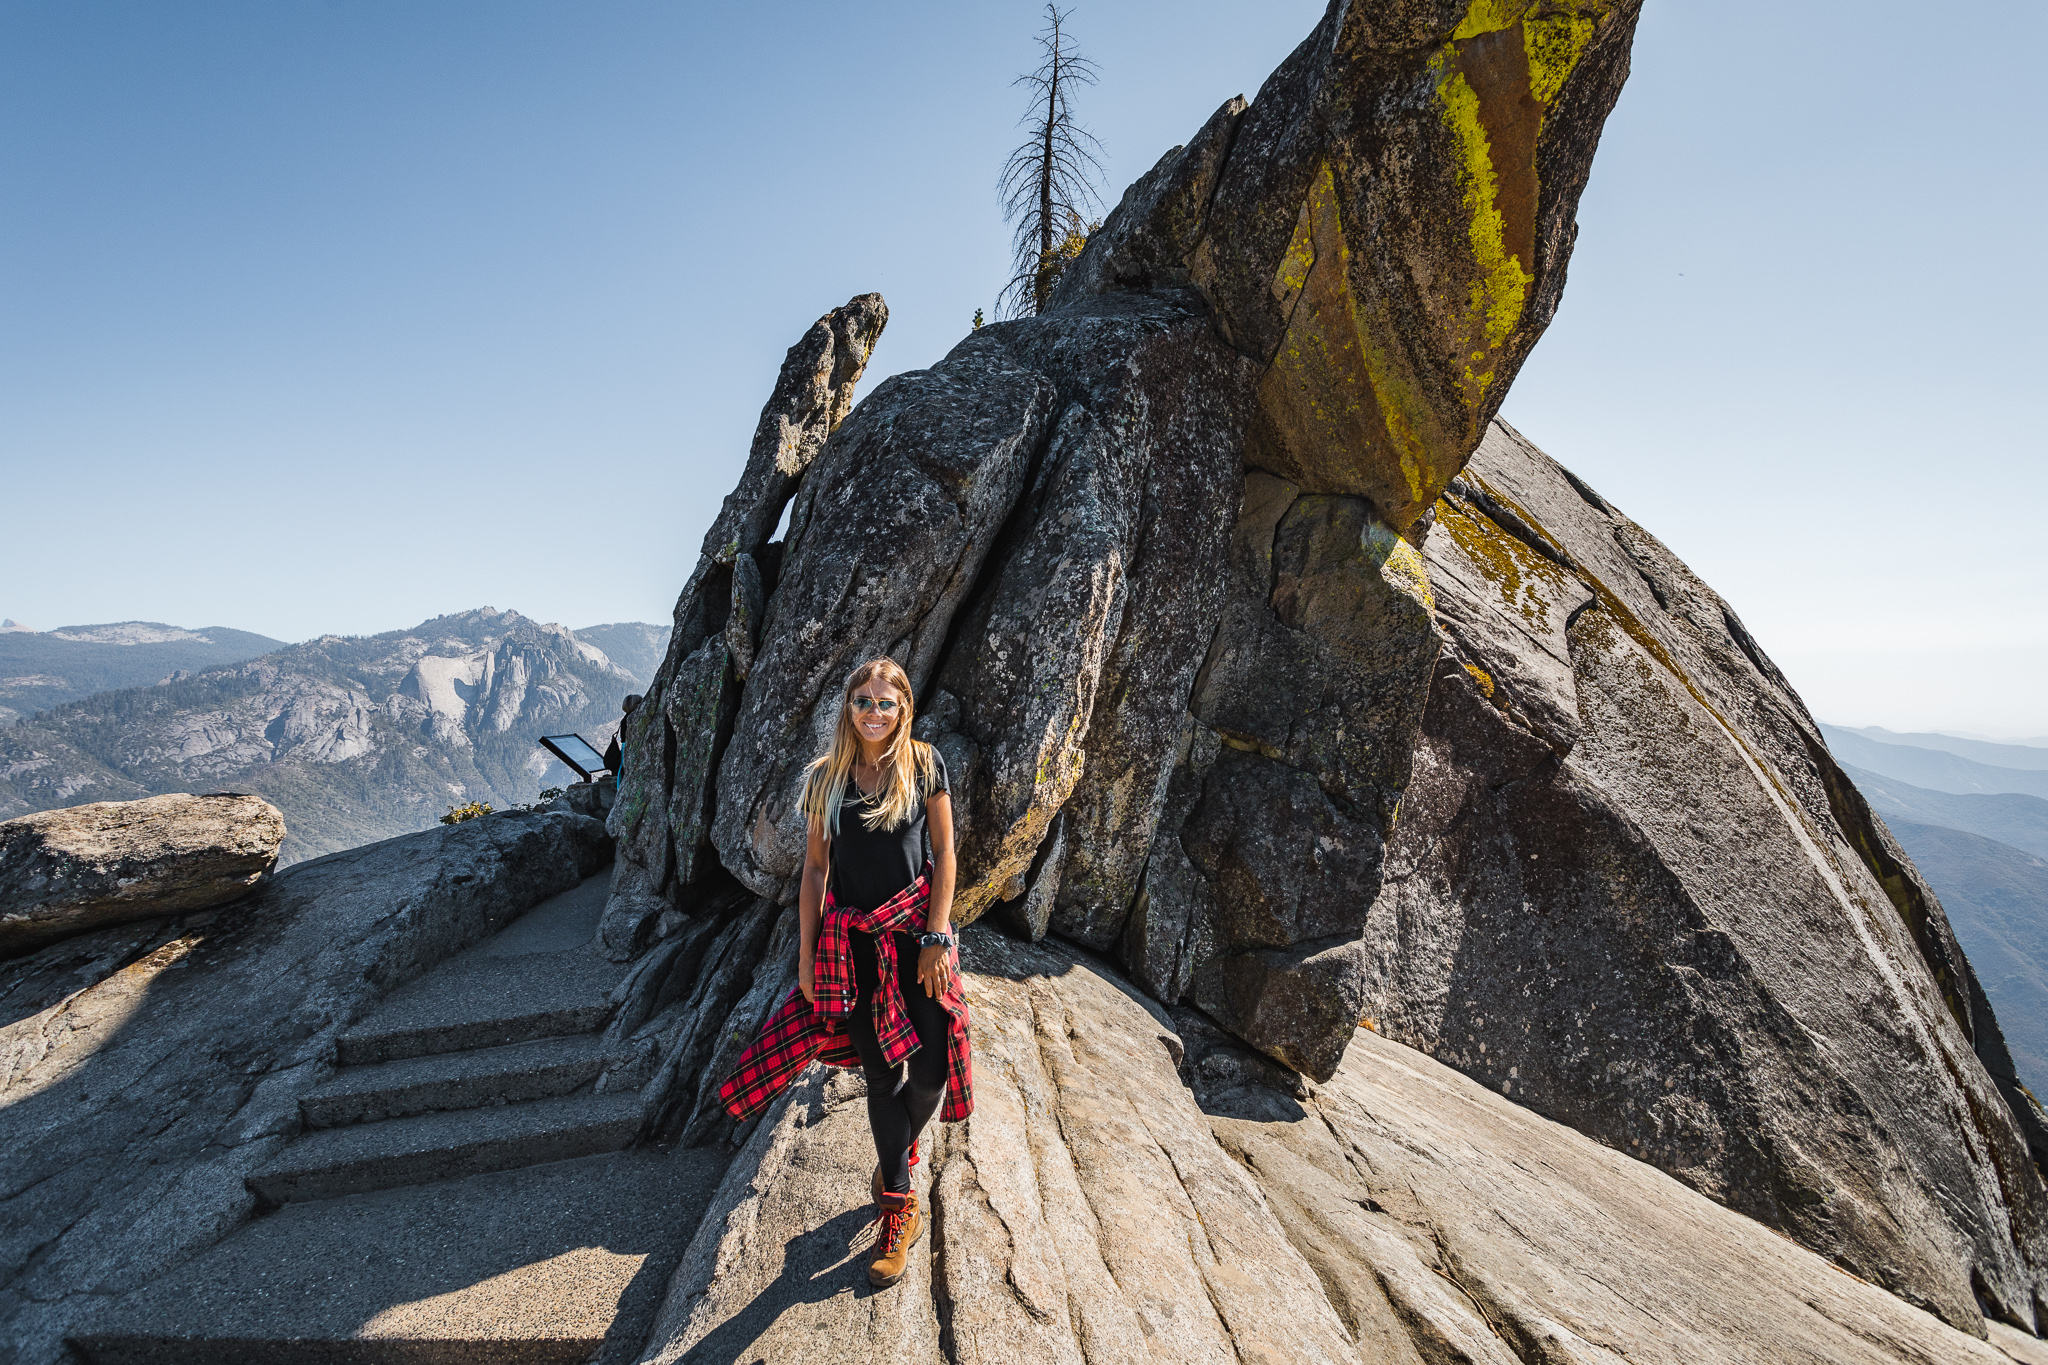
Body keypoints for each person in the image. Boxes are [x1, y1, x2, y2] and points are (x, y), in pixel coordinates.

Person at [716, 657, 971, 1288]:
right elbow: (814, 872)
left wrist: (938, 935)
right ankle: (899, 1207)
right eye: (864, 701)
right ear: (848, 706)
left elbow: (944, 855)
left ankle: (892, 1165)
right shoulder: (825, 779)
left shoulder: (926, 764)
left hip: (917, 937)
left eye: (887, 703)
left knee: (933, 1066)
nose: (875, 713)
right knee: (882, 1079)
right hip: (850, 946)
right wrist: (804, 957)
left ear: (904, 707)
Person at [602, 694, 641, 777]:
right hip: (631, 750)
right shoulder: (633, 719)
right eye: (639, 702)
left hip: (625, 750)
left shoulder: (625, 719)